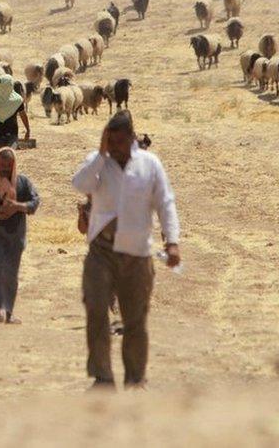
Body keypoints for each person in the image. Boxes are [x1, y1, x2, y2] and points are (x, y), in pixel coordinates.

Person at [72, 111, 180, 389]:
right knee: (96, 310)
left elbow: (165, 203)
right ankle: (102, 376)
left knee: (135, 318)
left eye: (121, 140)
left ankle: (135, 377)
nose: (116, 146)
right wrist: (99, 153)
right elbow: (79, 184)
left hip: (137, 252)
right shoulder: (98, 164)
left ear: (131, 138)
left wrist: (172, 241)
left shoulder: (149, 164)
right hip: (101, 251)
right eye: (112, 140)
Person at [0, 147, 40, 324]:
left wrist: (17, 206)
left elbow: (34, 202)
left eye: (8, 166)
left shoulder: (22, 183)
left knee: (11, 274)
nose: (5, 169)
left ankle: (9, 312)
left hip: (15, 235)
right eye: (2, 165)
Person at [0, 75, 30, 149]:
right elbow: (23, 115)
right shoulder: (17, 100)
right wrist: (28, 130)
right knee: (11, 152)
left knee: (1, 154)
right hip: (13, 133)